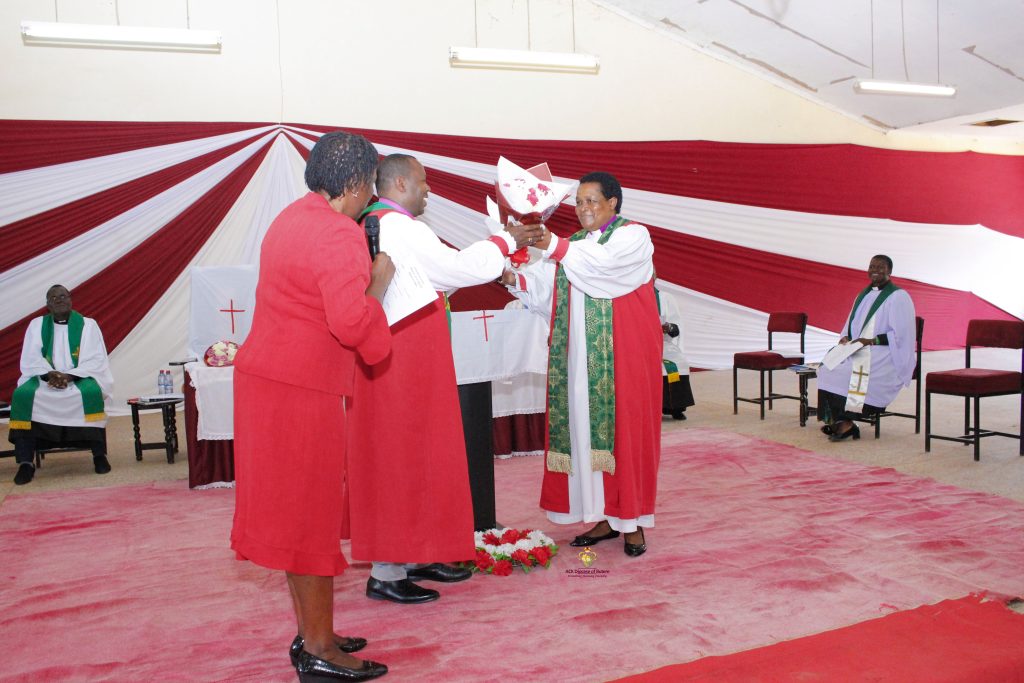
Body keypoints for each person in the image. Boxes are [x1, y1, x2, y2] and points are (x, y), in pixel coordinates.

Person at [229, 131, 393, 682]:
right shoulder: (339, 233)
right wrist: (379, 284)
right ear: (355, 183)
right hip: (300, 392)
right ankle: (320, 649)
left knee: (296, 516)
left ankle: (312, 633)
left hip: (268, 383)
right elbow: (350, 323)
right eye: (371, 184)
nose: (372, 196)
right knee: (310, 519)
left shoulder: (291, 217)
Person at [348, 153, 542, 604]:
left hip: (406, 354)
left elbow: (436, 278)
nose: (428, 189)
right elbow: (456, 269)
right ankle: (387, 572)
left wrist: (494, 251)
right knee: (401, 455)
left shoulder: (385, 224)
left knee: (421, 452)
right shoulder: (398, 226)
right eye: (422, 181)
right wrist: (503, 240)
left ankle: (416, 554)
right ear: (399, 184)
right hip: (400, 357)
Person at [501, 171, 662, 557]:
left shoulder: (633, 236)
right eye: (578, 202)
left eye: (591, 200)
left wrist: (551, 244)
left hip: (621, 358)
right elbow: (547, 290)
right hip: (577, 359)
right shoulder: (572, 244)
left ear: (613, 203)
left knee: (625, 437)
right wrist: (511, 275)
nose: (583, 208)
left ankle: (633, 522)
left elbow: (602, 268)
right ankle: (602, 516)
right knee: (585, 437)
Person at [7, 285, 113, 485]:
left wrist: (69, 376)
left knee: (91, 393)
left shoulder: (87, 325)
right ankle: (25, 463)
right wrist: (50, 375)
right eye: (54, 298)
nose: (59, 300)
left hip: (78, 378)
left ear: (71, 299)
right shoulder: (37, 325)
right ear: (48, 304)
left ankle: (99, 455)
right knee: (22, 395)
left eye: (63, 296)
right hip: (45, 379)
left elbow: (96, 358)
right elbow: (30, 358)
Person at [816, 254, 916, 442]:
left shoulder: (898, 296)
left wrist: (872, 341)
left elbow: (902, 335)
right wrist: (846, 337)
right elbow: (851, 323)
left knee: (849, 372)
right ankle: (839, 420)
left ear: (889, 271)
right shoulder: (863, 295)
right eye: (872, 266)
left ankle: (846, 423)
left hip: (886, 351)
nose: (875, 270)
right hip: (859, 347)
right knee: (827, 368)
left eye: (880, 267)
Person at [657, 288, 695, 420]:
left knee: (675, 364)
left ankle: (674, 407)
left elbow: (676, 328)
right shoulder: (632, 297)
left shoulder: (665, 298)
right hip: (640, 346)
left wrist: (669, 327)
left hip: (663, 344)